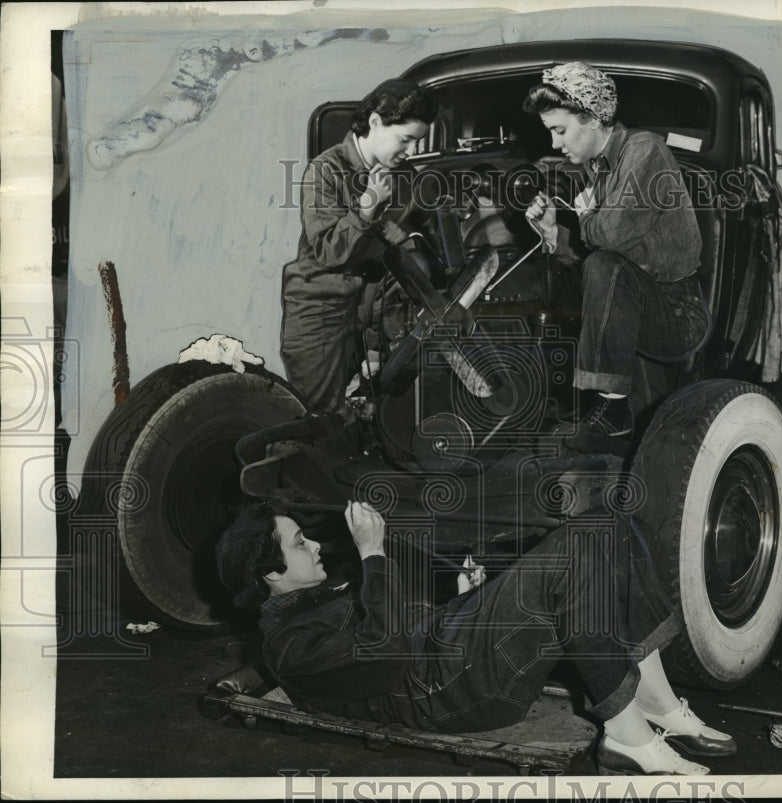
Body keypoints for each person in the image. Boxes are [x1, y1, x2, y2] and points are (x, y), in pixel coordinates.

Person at [215, 500, 737, 775]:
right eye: (300, 543)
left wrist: (470, 599)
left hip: (449, 655)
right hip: (448, 693)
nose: (316, 546)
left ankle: (658, 702)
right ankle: (627, 735)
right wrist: (373, 553)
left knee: (607, 522)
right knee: (579, 547)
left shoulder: (313, 599)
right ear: (270, 574)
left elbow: (396, 626)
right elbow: (390, 655)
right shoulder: (288, 645)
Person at [523, 62, 710, 447]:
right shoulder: (597, 168)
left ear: (592, 118)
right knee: (595, 266)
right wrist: (554, 234)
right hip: (637, 305)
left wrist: (587, 215)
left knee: (602, 261)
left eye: (560, 131)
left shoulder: (645, 151)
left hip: (678, 313)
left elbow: (609, 234)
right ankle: (604, 407)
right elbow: (603, 267)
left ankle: (611, 409)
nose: (556, 144)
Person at [280, 79, 438, 419]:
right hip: (321, 311)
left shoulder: (403, 175)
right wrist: (367, 207)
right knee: (318, 419)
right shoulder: (325, 170)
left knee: (376, 417)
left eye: (417, 141)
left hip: (374, 312)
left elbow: (410, 237)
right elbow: (327, 252)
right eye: (406, 140)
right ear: (376, 122)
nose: (411, 151)